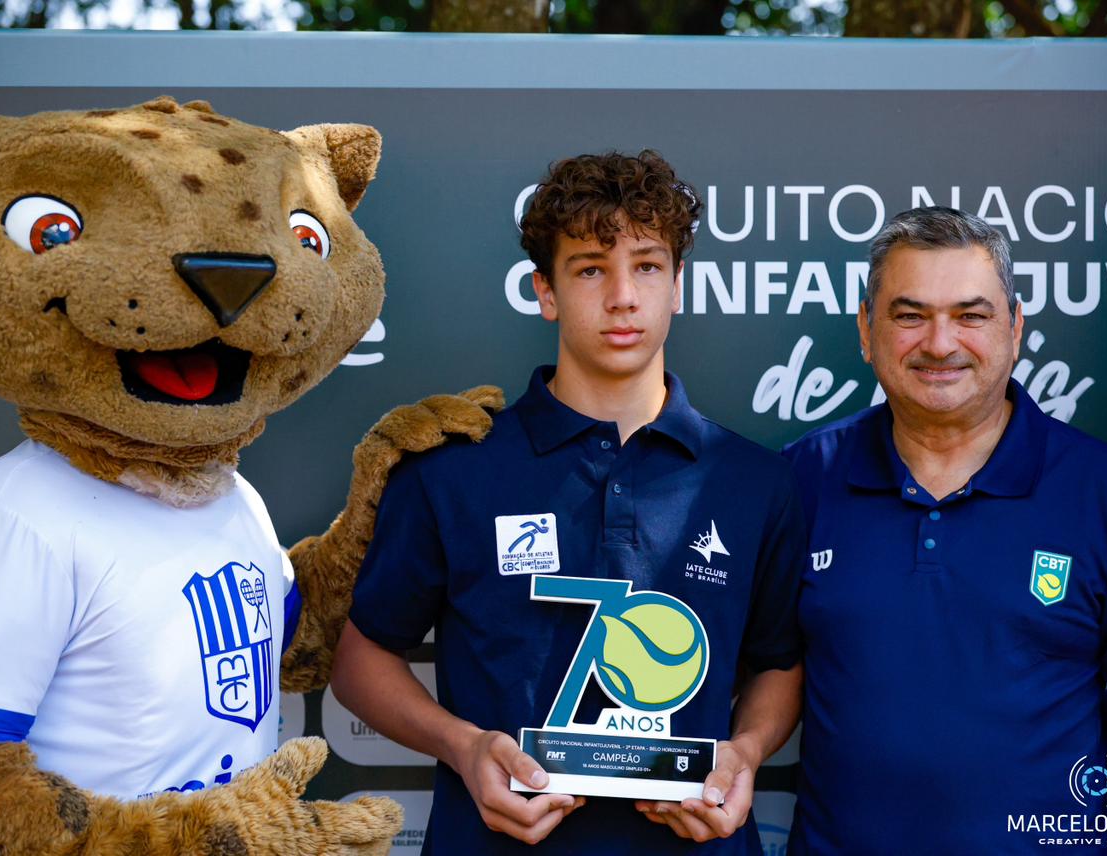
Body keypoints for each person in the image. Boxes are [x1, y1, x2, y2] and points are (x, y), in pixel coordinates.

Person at [329, 150, 806, 854]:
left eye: (647, 265)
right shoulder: (454, 469)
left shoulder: (755, 481)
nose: (622, 296)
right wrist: (465, 748)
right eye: (590, 269)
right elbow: (359, 658)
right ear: (545, 292)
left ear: (679, 283)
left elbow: (780, 663)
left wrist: (745, 752)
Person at [782, 206, 1107, 854]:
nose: (941, 343)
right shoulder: (802, 479)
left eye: (970, 316)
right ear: (866, 331)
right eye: (910, 314)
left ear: (1014, 329)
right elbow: (763, 678)